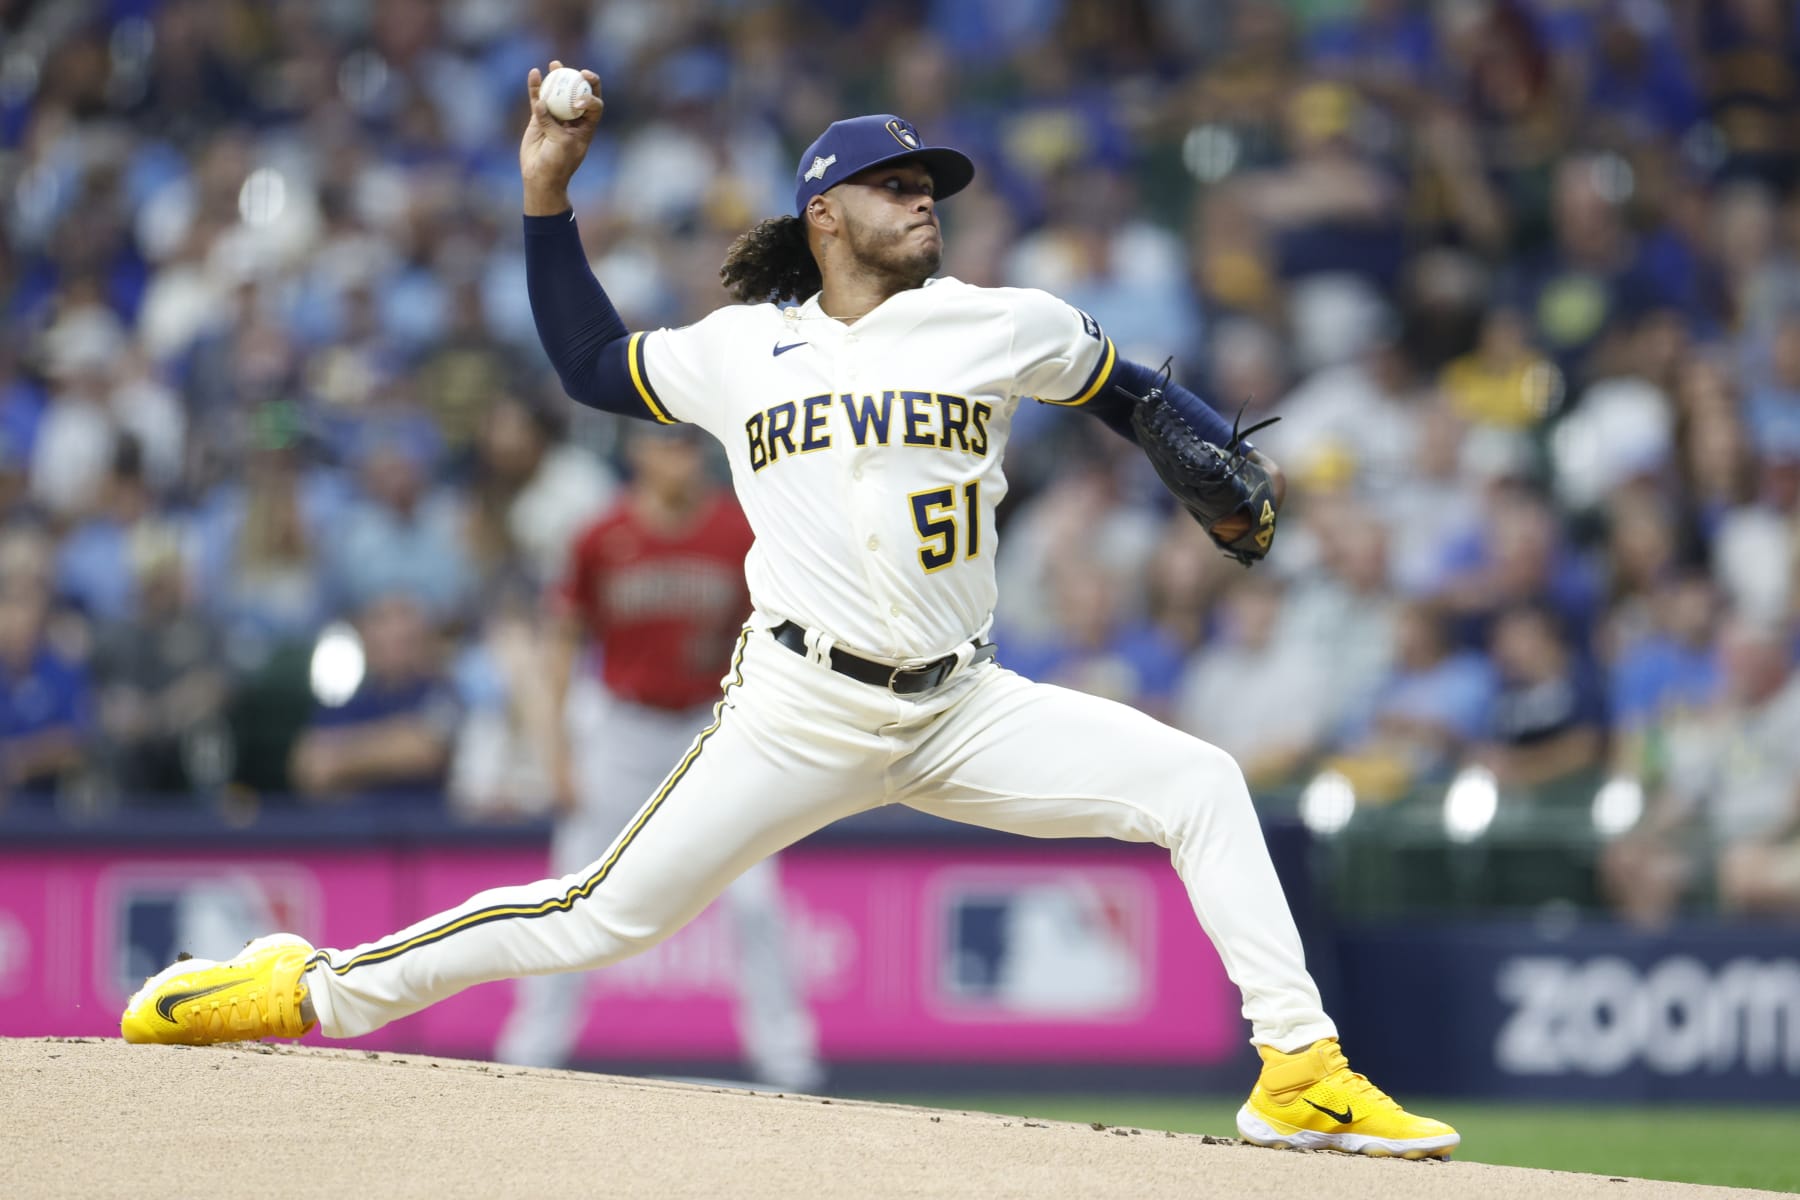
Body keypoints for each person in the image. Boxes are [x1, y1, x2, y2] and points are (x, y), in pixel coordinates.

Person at [121, 63, 1459, 1160]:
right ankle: (307, 985)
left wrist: (1213, 460)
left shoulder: (1002, 322)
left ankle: (1299, 1065)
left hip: (960, 704)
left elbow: (1132, 395)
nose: (925, 198)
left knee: (1202, 784)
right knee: (600, 914)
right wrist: (544, 195)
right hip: (798, 705)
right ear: (827, 214)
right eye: (896, 184)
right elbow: (591, 364)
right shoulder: (741, 353)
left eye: (931, 181)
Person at [494, 424, 822, 1092]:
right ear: (639, 454)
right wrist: (554, 752)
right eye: (669, 445)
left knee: (755, 898)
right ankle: (529, 1051)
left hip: (707, 727)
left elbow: (778, 637)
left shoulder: (738, 532)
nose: (682, 457)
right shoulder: (600, 536)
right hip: (620, 729)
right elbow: (561, 646)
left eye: (690, 445)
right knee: (572, 893)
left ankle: (789, 1062)